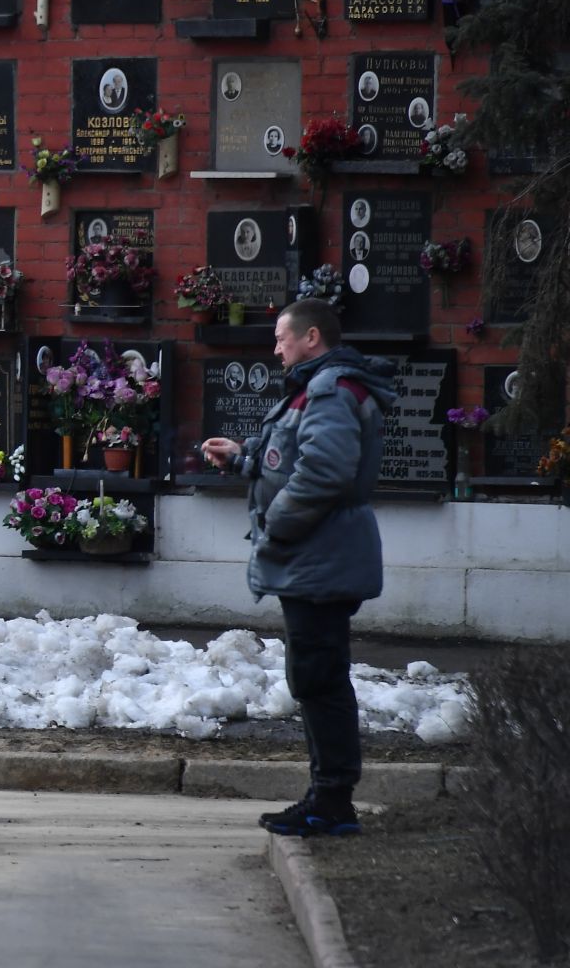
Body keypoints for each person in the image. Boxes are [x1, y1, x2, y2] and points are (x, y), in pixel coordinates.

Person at [201, 299, 398, 838]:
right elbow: (293, 461)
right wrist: (244, 458)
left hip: (319, 553)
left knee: (318, 677)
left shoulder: (329, 390)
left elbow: (325, 473)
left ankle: (332, 801)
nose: (276, 347)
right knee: (314, 676)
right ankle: (325, 797)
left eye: (282, 338)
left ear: (312, 337)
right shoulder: (316, 388)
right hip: (317, 554)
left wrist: (278, 525)